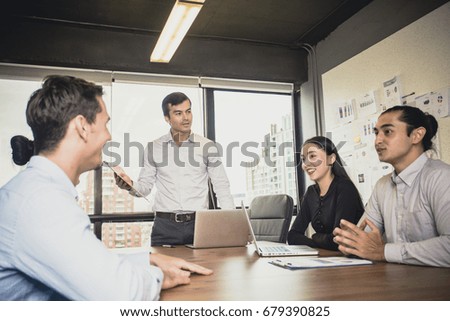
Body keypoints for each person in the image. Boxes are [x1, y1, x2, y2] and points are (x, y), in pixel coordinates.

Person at [0, 75, 212, 300]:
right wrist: (157, 274)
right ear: (82, 127)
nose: (109, 136)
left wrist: (144, 259)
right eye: (105, 124)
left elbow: (77, 261)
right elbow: (121, 294)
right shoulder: (41, 203)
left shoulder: (35, 191)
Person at [333, 105, 450, 267]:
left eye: (387, 132)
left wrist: (383, 251)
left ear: (416, 135)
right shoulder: (382, 185)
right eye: (376, 133)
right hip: (396, 283)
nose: (377, 140)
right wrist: (350, 243)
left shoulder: (442, 177)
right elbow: (362, 241)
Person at [114, 92, 234, 246]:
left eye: (188, 111)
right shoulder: (153, 148)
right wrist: (129, 184)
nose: (186, 118)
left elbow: (221, 186)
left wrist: (230, 224)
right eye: (178, 113)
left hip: (199, 225)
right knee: (161, 270)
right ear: (167, 118)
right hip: (165, 227)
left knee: (204, 268)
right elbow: (145, 188)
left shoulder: (208, 147)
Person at [287, 136, 364, 250]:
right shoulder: (311, 192)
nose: (306, 164)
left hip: (351, 259)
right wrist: (318, 240)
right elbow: (292, 235)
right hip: (326, 258)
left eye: (312, 156)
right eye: (303, 159)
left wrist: (315, 237)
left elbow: (338, 240)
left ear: (331, 159)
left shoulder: (345, 188)